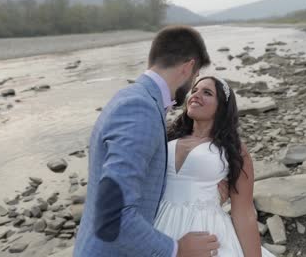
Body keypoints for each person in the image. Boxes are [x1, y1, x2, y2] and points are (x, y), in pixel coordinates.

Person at [73, 26, 227, 257]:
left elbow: (143, 181)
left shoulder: (130, 97)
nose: (194, 85)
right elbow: (113, 215)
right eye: (196, 76)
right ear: (188, 67)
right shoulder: (140, 109)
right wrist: (177, 249)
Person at [154, 76, 276, 257]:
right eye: (194, 90)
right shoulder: (167, 138)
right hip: (159, 223)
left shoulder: (233, 150)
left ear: (221, 107)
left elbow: (244, 213)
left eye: (207, 93)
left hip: (206, 229)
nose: (196, 95)